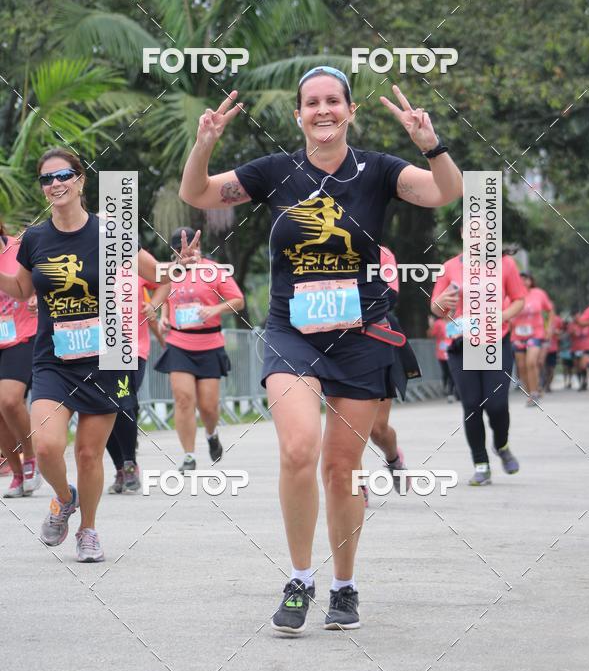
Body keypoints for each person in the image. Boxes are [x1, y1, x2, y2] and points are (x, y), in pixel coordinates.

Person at [179, 69, 462, 633]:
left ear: (350, 110)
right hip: (291, 331)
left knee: (342, 468)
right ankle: (301, 577)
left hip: (360, 337)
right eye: (312, 103)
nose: (323, 110)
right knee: (298, 449)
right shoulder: (276, 171)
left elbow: (444, 191)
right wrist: (203, 142)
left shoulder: (378, 170)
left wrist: (431, 144)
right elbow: (198, 192)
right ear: (298, 115)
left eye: (334, 101)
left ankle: (344, 585)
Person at [0, 148, 182, 562]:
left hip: (107, 357)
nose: (55, 184)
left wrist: (181, 268)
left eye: (63, 175)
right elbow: (23, 291)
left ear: (81, 180)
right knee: (46, 446)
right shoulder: (36, 239)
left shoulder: (111, 233)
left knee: (88, 453)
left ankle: (88, 530)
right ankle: (65, 499)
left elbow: (155, 274)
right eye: (47, 179)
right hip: (53, 358)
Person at [431, 248, 526, 486]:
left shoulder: (505, 263)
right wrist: (439, 304)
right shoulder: (450, 266)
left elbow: (519, 299)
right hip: (463, 345)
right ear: (463, 234)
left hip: (496, 343)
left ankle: (501, 445)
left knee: (496, 405)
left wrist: (501, 317)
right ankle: (481, 464)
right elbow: (436, 308)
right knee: (472, 405)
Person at [151, 227, 244, 470]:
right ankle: (188, 455)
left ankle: (212, 435)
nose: (190, 251)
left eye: (195, 246)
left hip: (209, 343)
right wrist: (164, 316)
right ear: (174, 251)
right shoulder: (169, 273)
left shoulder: (215, 271)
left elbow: (238, 300)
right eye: (183, 247)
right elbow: (165, 298)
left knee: (208, 406)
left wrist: (215, 309)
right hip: (179, 343)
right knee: (183, 399)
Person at [362, 245, 412, 508]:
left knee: (376, 430)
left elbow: (390, 296)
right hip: (331, 344)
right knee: (345, 426)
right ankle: (355, 484)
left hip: (376, 339)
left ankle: (393, 459)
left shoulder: (381, 253)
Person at [106, 271, 164, 494]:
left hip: (133, 349)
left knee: (123, 403)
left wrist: (154, 305)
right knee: (104, 409)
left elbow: (164, 282)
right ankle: (120, 467)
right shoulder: (87, 256)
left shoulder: (135, 260)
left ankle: (130, 462)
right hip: (98, 348)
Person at [0, 223, 40, 498]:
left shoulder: (19, 247)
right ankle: (16, 472)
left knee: (10, 400)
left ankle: (31, 457)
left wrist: (38, 296)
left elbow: (40, 278)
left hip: (22, 334)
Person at [510, 273, 554, 406]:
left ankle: (534, 392)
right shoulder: (510, 295)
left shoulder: (538, 293)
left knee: (531, 362)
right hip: (517, 336)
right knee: (522, 367)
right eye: (520, 279)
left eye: (526, 279)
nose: (523, 282)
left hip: (535, 334)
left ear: (531, 281)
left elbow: (550, 310)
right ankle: (531, 393)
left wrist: (549, 328)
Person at [427, 314, 456, 401]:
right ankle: (445, 387)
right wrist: (431, 325)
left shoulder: (455, 322)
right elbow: (431, 334)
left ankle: (451, 392)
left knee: (452, 371)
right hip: (442, 352)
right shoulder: (439, 323)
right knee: (446, 372)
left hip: (453, 351)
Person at [541, 313, 564, 393]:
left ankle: (548, 385)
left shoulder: (557, 319)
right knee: (543, 368)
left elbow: (562, 331)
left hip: (553, 349)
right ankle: (543, 384)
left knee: (551, 369)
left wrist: (557, 332)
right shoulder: (539, 318)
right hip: (541, 349)